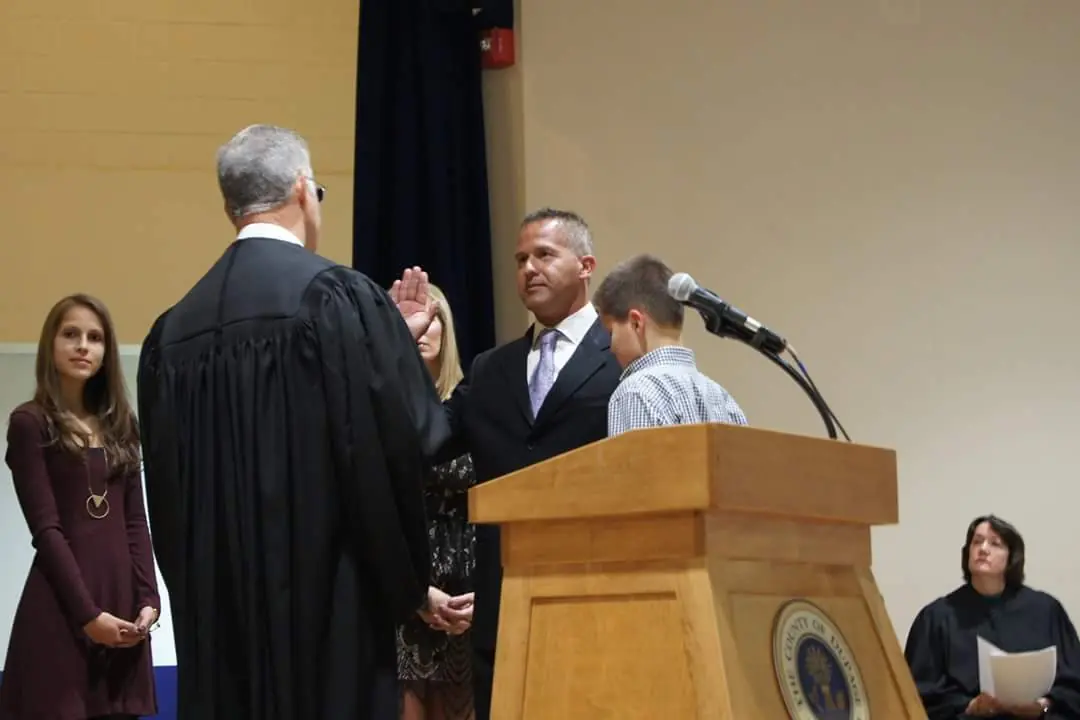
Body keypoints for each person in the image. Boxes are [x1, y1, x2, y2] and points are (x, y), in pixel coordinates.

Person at [136, 124, 458, 720]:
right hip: (326, 616)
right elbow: (406, 439)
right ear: (304, 190)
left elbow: (168, 499)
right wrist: (391, 349)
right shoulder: (336, 299)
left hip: (220, 622)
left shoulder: (172, 333)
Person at [390, 208, 623, 719]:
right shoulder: (492, 368)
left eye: (544, 255)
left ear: (586, 265)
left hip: (596, 596)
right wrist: (403, 349)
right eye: (520, 259)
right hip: (504, 611)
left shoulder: (621, 355)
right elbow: (423, 438)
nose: (528, 269)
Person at [1, 293, 159, 720]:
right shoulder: (30, 423)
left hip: (123, 611)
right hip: (62, 611)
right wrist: (88, 617)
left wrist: (149, 598)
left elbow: (135, 522)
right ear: (50, 345)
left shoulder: (123, 427)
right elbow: (47, 530)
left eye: (95, 337)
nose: (83, 346)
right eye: (71, 334)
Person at [904, 514, 1080, 719]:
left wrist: (1043, 706)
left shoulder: (1046, 610)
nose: (983, 549)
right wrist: (970, 706)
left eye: (995, 544)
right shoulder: (936, 617)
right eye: (977, 542)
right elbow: (917, 692)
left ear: (1011, 557)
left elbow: (1074, 683)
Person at [397, 284, 477, 720]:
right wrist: (415, 592)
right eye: (416, 320)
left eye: (435, 318)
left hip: (467, 587)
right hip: (408, 583)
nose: (425, 330)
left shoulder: (472, 402)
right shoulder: (383, 411)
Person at [592, 253, 748, 435]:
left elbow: (635, 464)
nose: (611, 347)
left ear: (636, 323)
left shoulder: (635, 391)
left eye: (611, 333)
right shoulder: (723, 398)